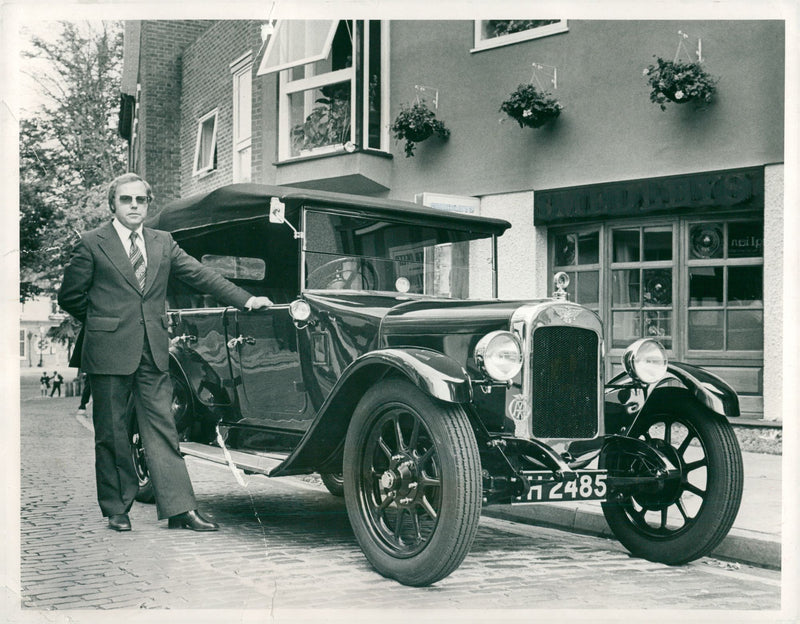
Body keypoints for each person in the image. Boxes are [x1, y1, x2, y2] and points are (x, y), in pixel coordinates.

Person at [58, 173, 272, 533]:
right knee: (111, 432)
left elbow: (202, 275)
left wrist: (246, 299)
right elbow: (70, 296)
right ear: (113, 204)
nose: (134, 206)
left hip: (153, 351)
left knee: (163, 428)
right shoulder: (93, 243)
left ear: (147, 204)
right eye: (126, 200)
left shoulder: (163, 242)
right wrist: (104, 322)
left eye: (141, 200)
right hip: (108, 350)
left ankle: (180, 509)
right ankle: (116, 508)